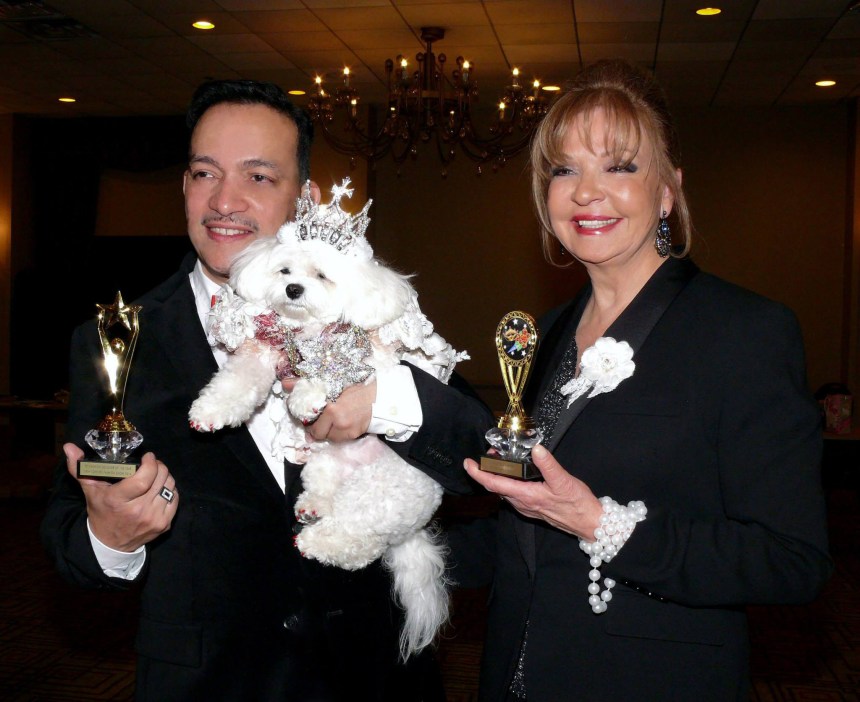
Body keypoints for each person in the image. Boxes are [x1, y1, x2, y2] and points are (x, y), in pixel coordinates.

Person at [40, 79, 485, 702]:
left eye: (257, 177)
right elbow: (68, 534)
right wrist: (109, 536)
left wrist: (387, 400)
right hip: (210, 682)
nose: (225, 201)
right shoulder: (115, 338)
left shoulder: (367, 308)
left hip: (373, 675)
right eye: (204, 173)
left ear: (302, 197)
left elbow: (484, 449)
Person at [437, 59, 830, 700]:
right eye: (564, 169)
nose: (587, 192)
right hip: (515, 674)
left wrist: (601, 524)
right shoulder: (544, 334)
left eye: (620, 166)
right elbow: (526, 532)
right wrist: (391, 543)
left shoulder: (744, 331)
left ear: (669, 190)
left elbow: (792, 561)